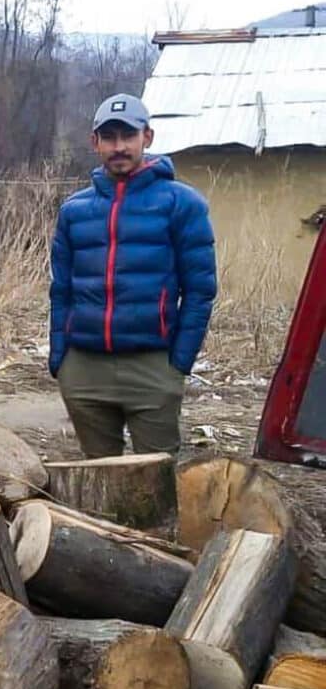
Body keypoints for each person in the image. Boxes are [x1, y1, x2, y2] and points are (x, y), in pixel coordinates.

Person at [50, 94, 217, 457]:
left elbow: (200, 290)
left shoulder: (182, 204)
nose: (120, 147)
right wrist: (60, 358)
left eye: (129, 135)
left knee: (153, 484)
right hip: (85, 367)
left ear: (148, 137)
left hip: (152, 366)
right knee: (98, 479)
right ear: (95, 143)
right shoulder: (74, 211)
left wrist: (179, 363)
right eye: (109, 137)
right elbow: (60, 290)